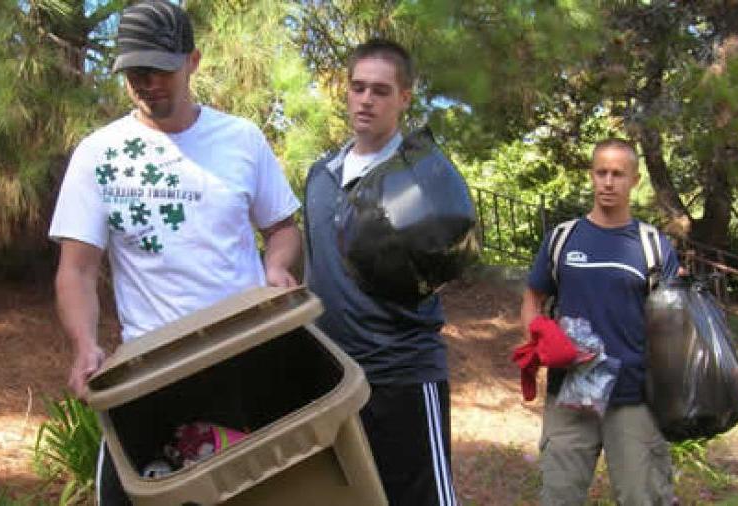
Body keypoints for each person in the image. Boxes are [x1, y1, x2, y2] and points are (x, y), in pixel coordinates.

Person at [49, 0, 301, 400]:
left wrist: (276, 266)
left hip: (246, 350)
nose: (148, 83)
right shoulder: (99, 153)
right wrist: (85, 345)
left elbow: (281, 228)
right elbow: (77, 270)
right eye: (136, 73)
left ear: (193, 61)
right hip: (153, 366)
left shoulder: (242, 139)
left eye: (161, 71)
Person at [303, 39, 458, 506]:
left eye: (381, 90)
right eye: (357, 88)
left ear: (405, 97)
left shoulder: (424, 177)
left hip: (403, 373)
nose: (366, 99)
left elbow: (447, 263)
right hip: (334, 377)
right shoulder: (320, 174)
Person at [520, 139, 680, 505]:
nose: (608, 182)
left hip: (634, 397)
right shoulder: (563, 238)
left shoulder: (652, 245)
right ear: (592, 176)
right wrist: (539, 335)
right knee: (559, 497)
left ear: (634, 180)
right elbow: (532, 299)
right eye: (601, 172)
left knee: (644, 498)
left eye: (618, 174)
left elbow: (673, 321)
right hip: (571, 394)